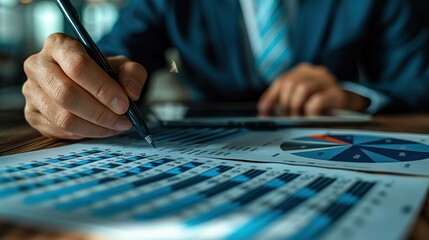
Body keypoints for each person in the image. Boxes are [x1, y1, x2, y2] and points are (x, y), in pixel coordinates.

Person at [22, 0, 429, 140]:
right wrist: (73, 79)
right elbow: (112, 56)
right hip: (210, 153)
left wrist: (356, 96)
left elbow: (417, 79)